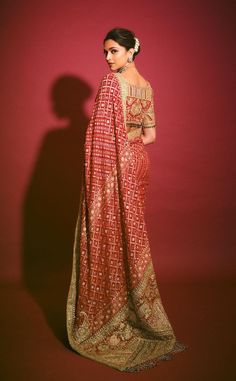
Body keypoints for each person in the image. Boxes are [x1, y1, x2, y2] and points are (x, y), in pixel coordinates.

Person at [66, 28, 187, 372]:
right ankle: (132, 310)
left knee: (111, 236)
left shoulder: (110, 84)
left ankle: (108, 316)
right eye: (104, 52)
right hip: (138, 164)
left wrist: (114, 155)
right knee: (127, 236)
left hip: (116, 168)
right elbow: (150, 136)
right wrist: (128, 148)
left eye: (114, 51)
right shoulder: (146, 86)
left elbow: (102, 138)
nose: (108, 58)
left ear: (131, 50)